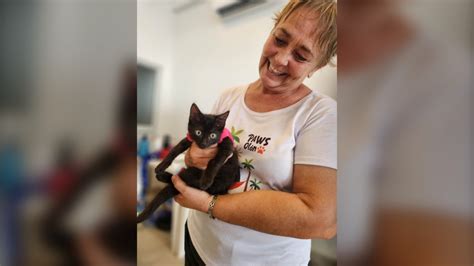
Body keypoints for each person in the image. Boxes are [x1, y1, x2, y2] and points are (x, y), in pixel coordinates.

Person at [171, 0, 337, 265]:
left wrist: (207, 204)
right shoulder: (229, 98)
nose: (281, 59)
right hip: (199, 244)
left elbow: (321, 220)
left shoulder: (321, 115)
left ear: (316, 67)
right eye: (280, 39)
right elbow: (197, 156)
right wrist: (193, 158)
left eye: (301, 56)